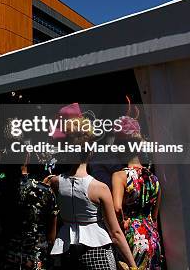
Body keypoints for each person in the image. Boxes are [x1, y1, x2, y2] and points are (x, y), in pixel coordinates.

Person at [48, 103, 137, 270]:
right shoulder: (100, 188)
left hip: (67, 253)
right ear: (91, 151)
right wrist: (133, 265)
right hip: (98, 255)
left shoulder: (55, 183)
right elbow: (116, 233)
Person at [111, 112, 162, 269]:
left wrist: (123, 221)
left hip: (133, 237)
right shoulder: (153, 178)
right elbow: (154, 215)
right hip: (152, 237)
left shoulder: (120, 176)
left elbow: (117, 207)